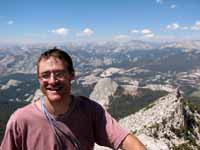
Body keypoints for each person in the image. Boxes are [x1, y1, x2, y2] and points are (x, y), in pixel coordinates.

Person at [0, 47, 145, 150]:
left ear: (72, 75)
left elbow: (124, 139)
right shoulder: (21, 120)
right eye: (45, 75)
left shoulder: (90, 111)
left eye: (59, 74)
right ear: (38, 79)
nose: (52, 81)